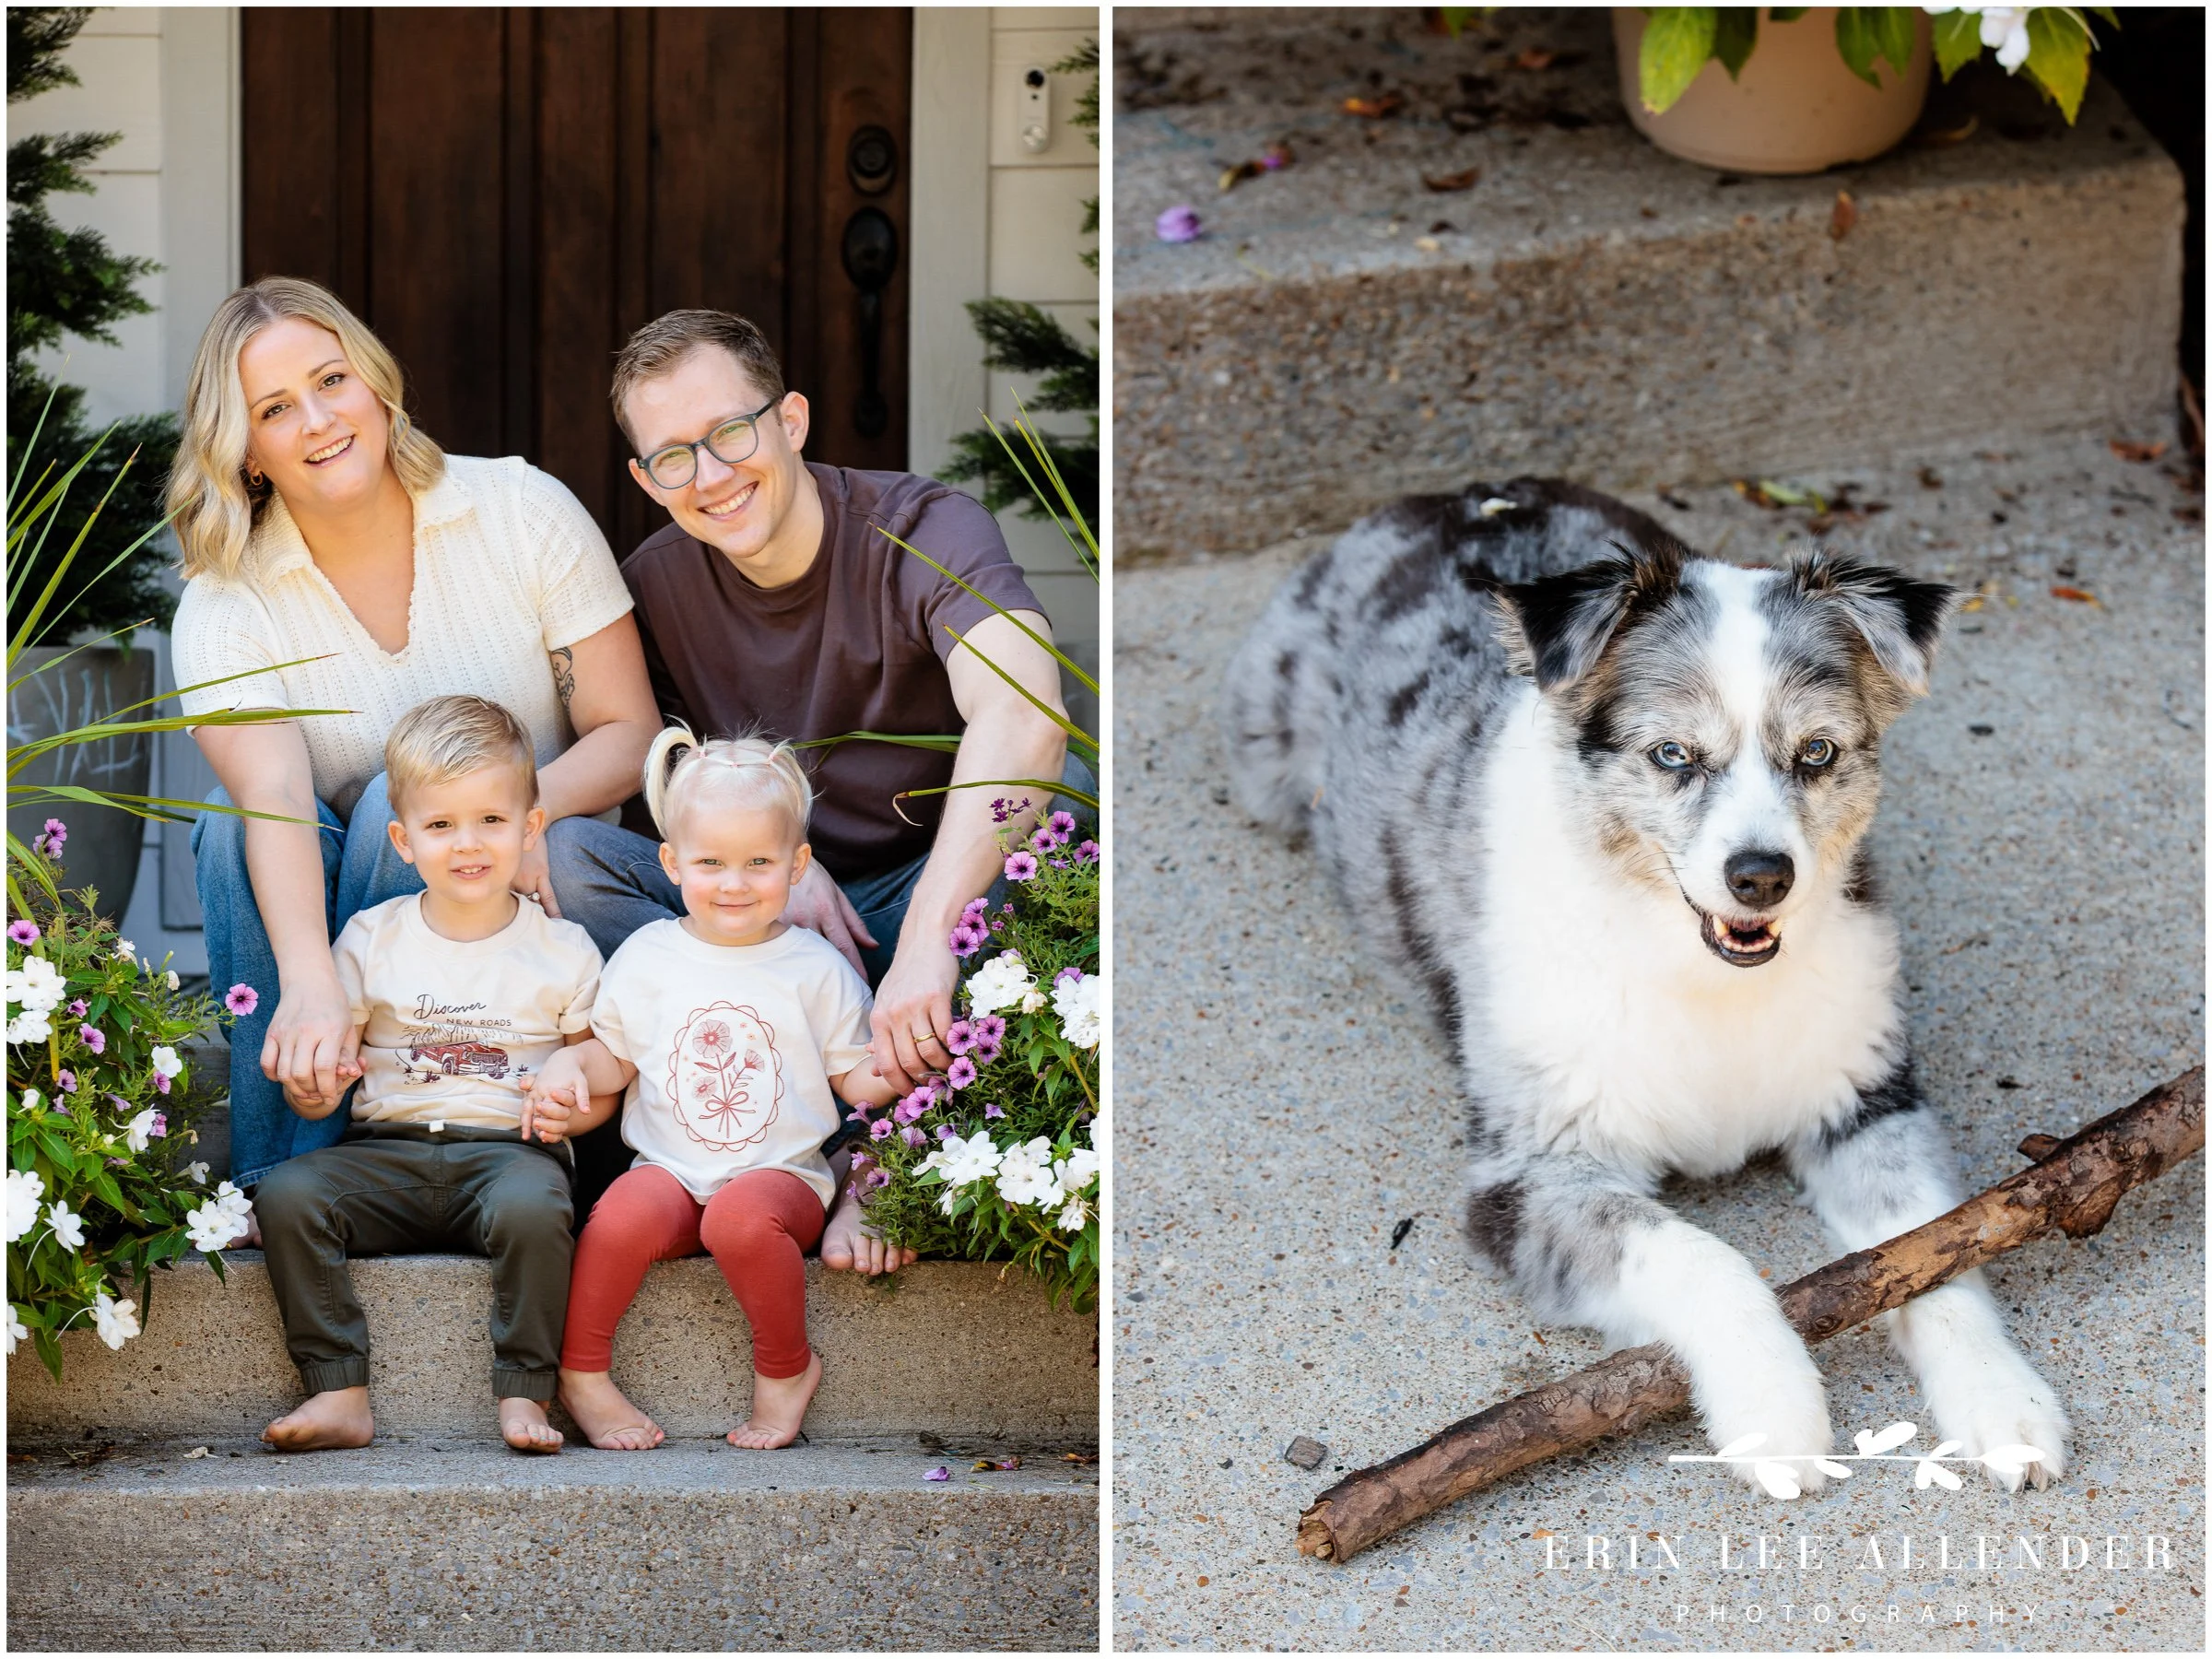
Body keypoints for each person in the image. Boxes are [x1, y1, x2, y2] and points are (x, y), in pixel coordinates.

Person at [552, 309, 1074, 1273]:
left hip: (929, 896)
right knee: (567, 858)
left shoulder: (921, 528)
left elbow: (1026, 711)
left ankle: (887, 1152)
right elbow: (648, 768)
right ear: (644, 480)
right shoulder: (654, 589)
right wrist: (784, 865)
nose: (710, 476)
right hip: (760, 922)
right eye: (672, 457)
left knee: (1054, 828)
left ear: (790, 420)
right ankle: (723, 1127)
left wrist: (927, 939)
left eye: (731, 433)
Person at [167, 277, 658, 1197]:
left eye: (332, 381)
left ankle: (395, 1153)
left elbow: (628, 730)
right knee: (230, 827)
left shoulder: (519, 508)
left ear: (378, 385)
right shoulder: (225, 606)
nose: (319, 420)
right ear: (248, 455)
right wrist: (316, 982)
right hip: (337, 901)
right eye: (276, 409)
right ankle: (289, 1181)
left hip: (512, 909)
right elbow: (270, 798)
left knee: (414, 799)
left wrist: (517, 818)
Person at [253, 697, 611, 1453]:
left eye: (490, 819)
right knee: (287, 1195)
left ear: (530, 828)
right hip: (386, 1152)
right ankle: (338, 1389)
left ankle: (525, 1395)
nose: (468, 843)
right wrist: (311, 1087)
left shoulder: (566, 948)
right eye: (441, 824)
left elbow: (597, 1077)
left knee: (535, 1213)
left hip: (510, 1154)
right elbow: (325, 1078)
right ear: (403, 839)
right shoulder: (370, 938)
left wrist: (570, 1112)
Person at [530, 729, 898, 1451]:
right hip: (669, 1171)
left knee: (735, 1220)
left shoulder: (814, 966)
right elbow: (615, 1059)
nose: (734, 883)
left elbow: (849, 1075)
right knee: (618, 1215)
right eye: (711, 863)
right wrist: (571, 1070)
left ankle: (787, 1370)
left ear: (797, 865)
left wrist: (894, 1070)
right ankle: (582, 1373)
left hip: (780, 1180)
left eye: (759, 862)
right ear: (670, 862)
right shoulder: (648, 956)